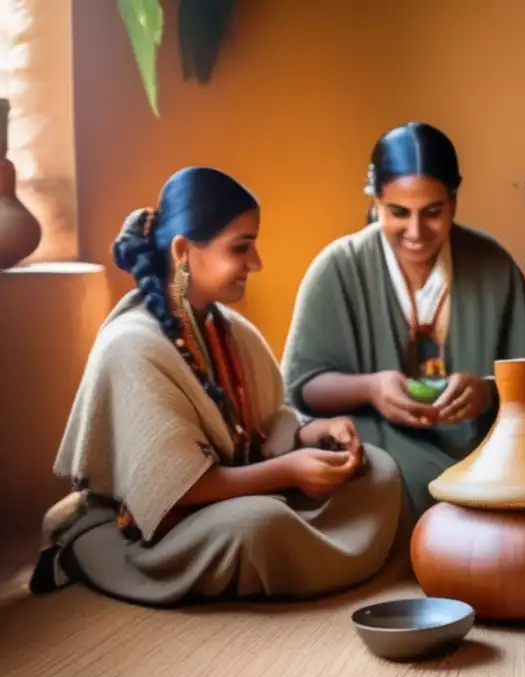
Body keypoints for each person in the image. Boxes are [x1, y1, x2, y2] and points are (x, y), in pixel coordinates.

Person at [30, 167, 404, 606]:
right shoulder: (132, 346)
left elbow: (262, 434)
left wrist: (313, 434)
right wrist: (289, 471)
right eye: (242, 247)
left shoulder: (234, 332)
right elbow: (177, 489)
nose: (256, 263)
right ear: (185, 251)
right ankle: (88, 557)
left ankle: (297, 559)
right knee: (259, 525)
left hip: (242, 496)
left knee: (378, 472)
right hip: (161, 527)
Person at [281, 122, 525, 518]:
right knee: (385, 482)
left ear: (454, 202)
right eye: (398, 213)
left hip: (481, 444)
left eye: (432, 212)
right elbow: (303, 389)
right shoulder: (337, 268)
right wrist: (371, 388)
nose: (415, 231)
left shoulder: (492, 263)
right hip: (379, 440)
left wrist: (487, 391)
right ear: (375, 203)